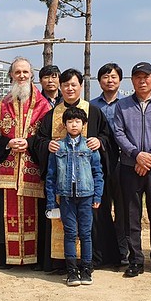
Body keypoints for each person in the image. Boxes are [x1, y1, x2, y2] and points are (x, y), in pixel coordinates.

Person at [35, 68, 112, 273]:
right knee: (66, 228)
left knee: (87, 229)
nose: (69, 88)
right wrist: (46, 145)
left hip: (86, 187)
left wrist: (100, 140)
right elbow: (39, 140)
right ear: (60, 87)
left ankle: (88, 263)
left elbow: (108, 137)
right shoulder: (52, 114)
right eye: (66, 85)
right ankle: (63, 264)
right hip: (64, 187)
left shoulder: (94, 111)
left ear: (81, 86)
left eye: (74, 85)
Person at [0, 57, 51, 268]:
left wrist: (30, 143)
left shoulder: (44, 106)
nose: (21, 76)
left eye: (25, 72)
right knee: (5, 215)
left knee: (37, 217)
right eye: (17, 72)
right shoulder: (0, 105)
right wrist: (7, 143)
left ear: (32, 75)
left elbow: (49, 137)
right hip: (7, 173)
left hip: (32, 172)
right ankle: (5, 259)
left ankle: (35, 260)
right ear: (11, 75)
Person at [113, 61, 151, 278]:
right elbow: (118, 133)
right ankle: (135, 260)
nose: (142, 81)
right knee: (132, 216)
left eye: (146, 77)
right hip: (130, 167)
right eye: (137, 77)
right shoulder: (122, 105)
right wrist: (136, 155)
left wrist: (150, 157)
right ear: (132, 80)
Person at [45, 107, 104, 286]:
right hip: (66, 197)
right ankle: (72, 271)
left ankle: (86, 269)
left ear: (84, 125)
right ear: (64, 125)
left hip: (86, 195)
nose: (74, 124)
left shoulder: (90, 146)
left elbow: (97, 173)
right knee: (70, 233)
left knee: (85, 234)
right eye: (70, 121)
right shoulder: (58, 147)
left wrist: (98, 196)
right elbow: (50, 176)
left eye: (78, 121)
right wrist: (50, 202)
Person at [89, 62, 124, 268]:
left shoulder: (128, 104)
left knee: (124, 209)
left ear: (120, 80)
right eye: (105, 77)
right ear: (99, 80)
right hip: (99, 165)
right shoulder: (91, 106)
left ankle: (123, 252)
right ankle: (102, 252)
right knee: (100, 208)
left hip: (125, 162)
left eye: (113, 77)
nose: (110, 81)